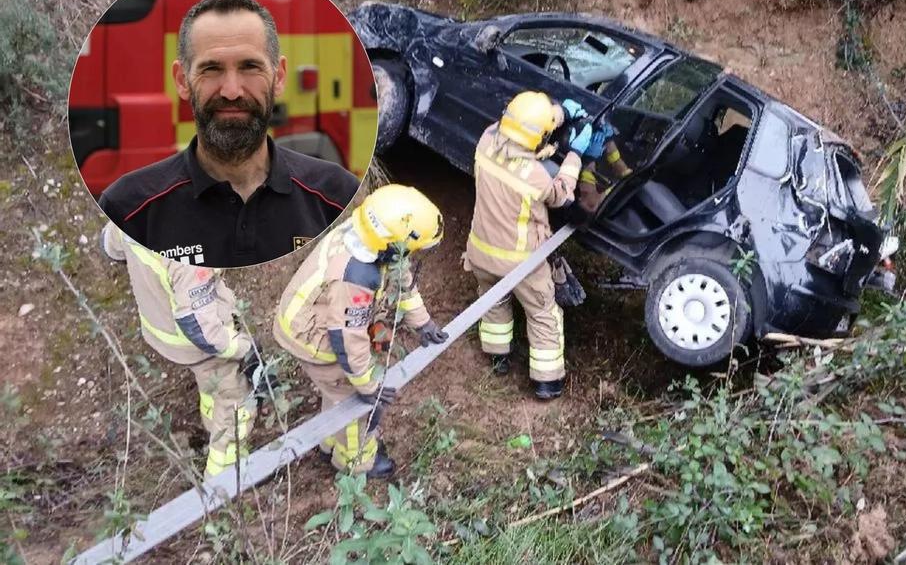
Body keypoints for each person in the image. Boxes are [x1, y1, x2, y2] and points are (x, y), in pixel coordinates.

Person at [97, 0, 359, 268]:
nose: (232, 91)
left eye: (250, 67)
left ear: (279, 77)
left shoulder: (338, 198)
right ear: (182, 81)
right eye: (211, 69)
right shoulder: (128, 209)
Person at [273, 184, 447, 478]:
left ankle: (329, 442)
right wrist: (368, 387)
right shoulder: (356, 275)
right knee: (354, 401)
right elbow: (347, 341)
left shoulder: (370, 236)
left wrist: (423, 322)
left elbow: (401, 275)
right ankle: (356, 462)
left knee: (337, 390)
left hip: (318, 319)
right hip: (313, 338)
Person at [465, 91, 597, 400]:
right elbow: (562, 194)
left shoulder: (486, 141)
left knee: (493, 301)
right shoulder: (535, 177)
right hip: (520, 263)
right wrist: (576, 154)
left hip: (481, 251)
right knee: (543, 313)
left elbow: (523, 132)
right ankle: (547, 381)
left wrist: (561, 112)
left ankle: (498, 358)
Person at [100, 221, 257, 479]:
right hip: (197, 345)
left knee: (211, 385)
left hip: (161, 329)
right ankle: (226, 478)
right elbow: (201, 330)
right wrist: (243, 348)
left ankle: (210, 422)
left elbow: (108, 246)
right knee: (234, 402)